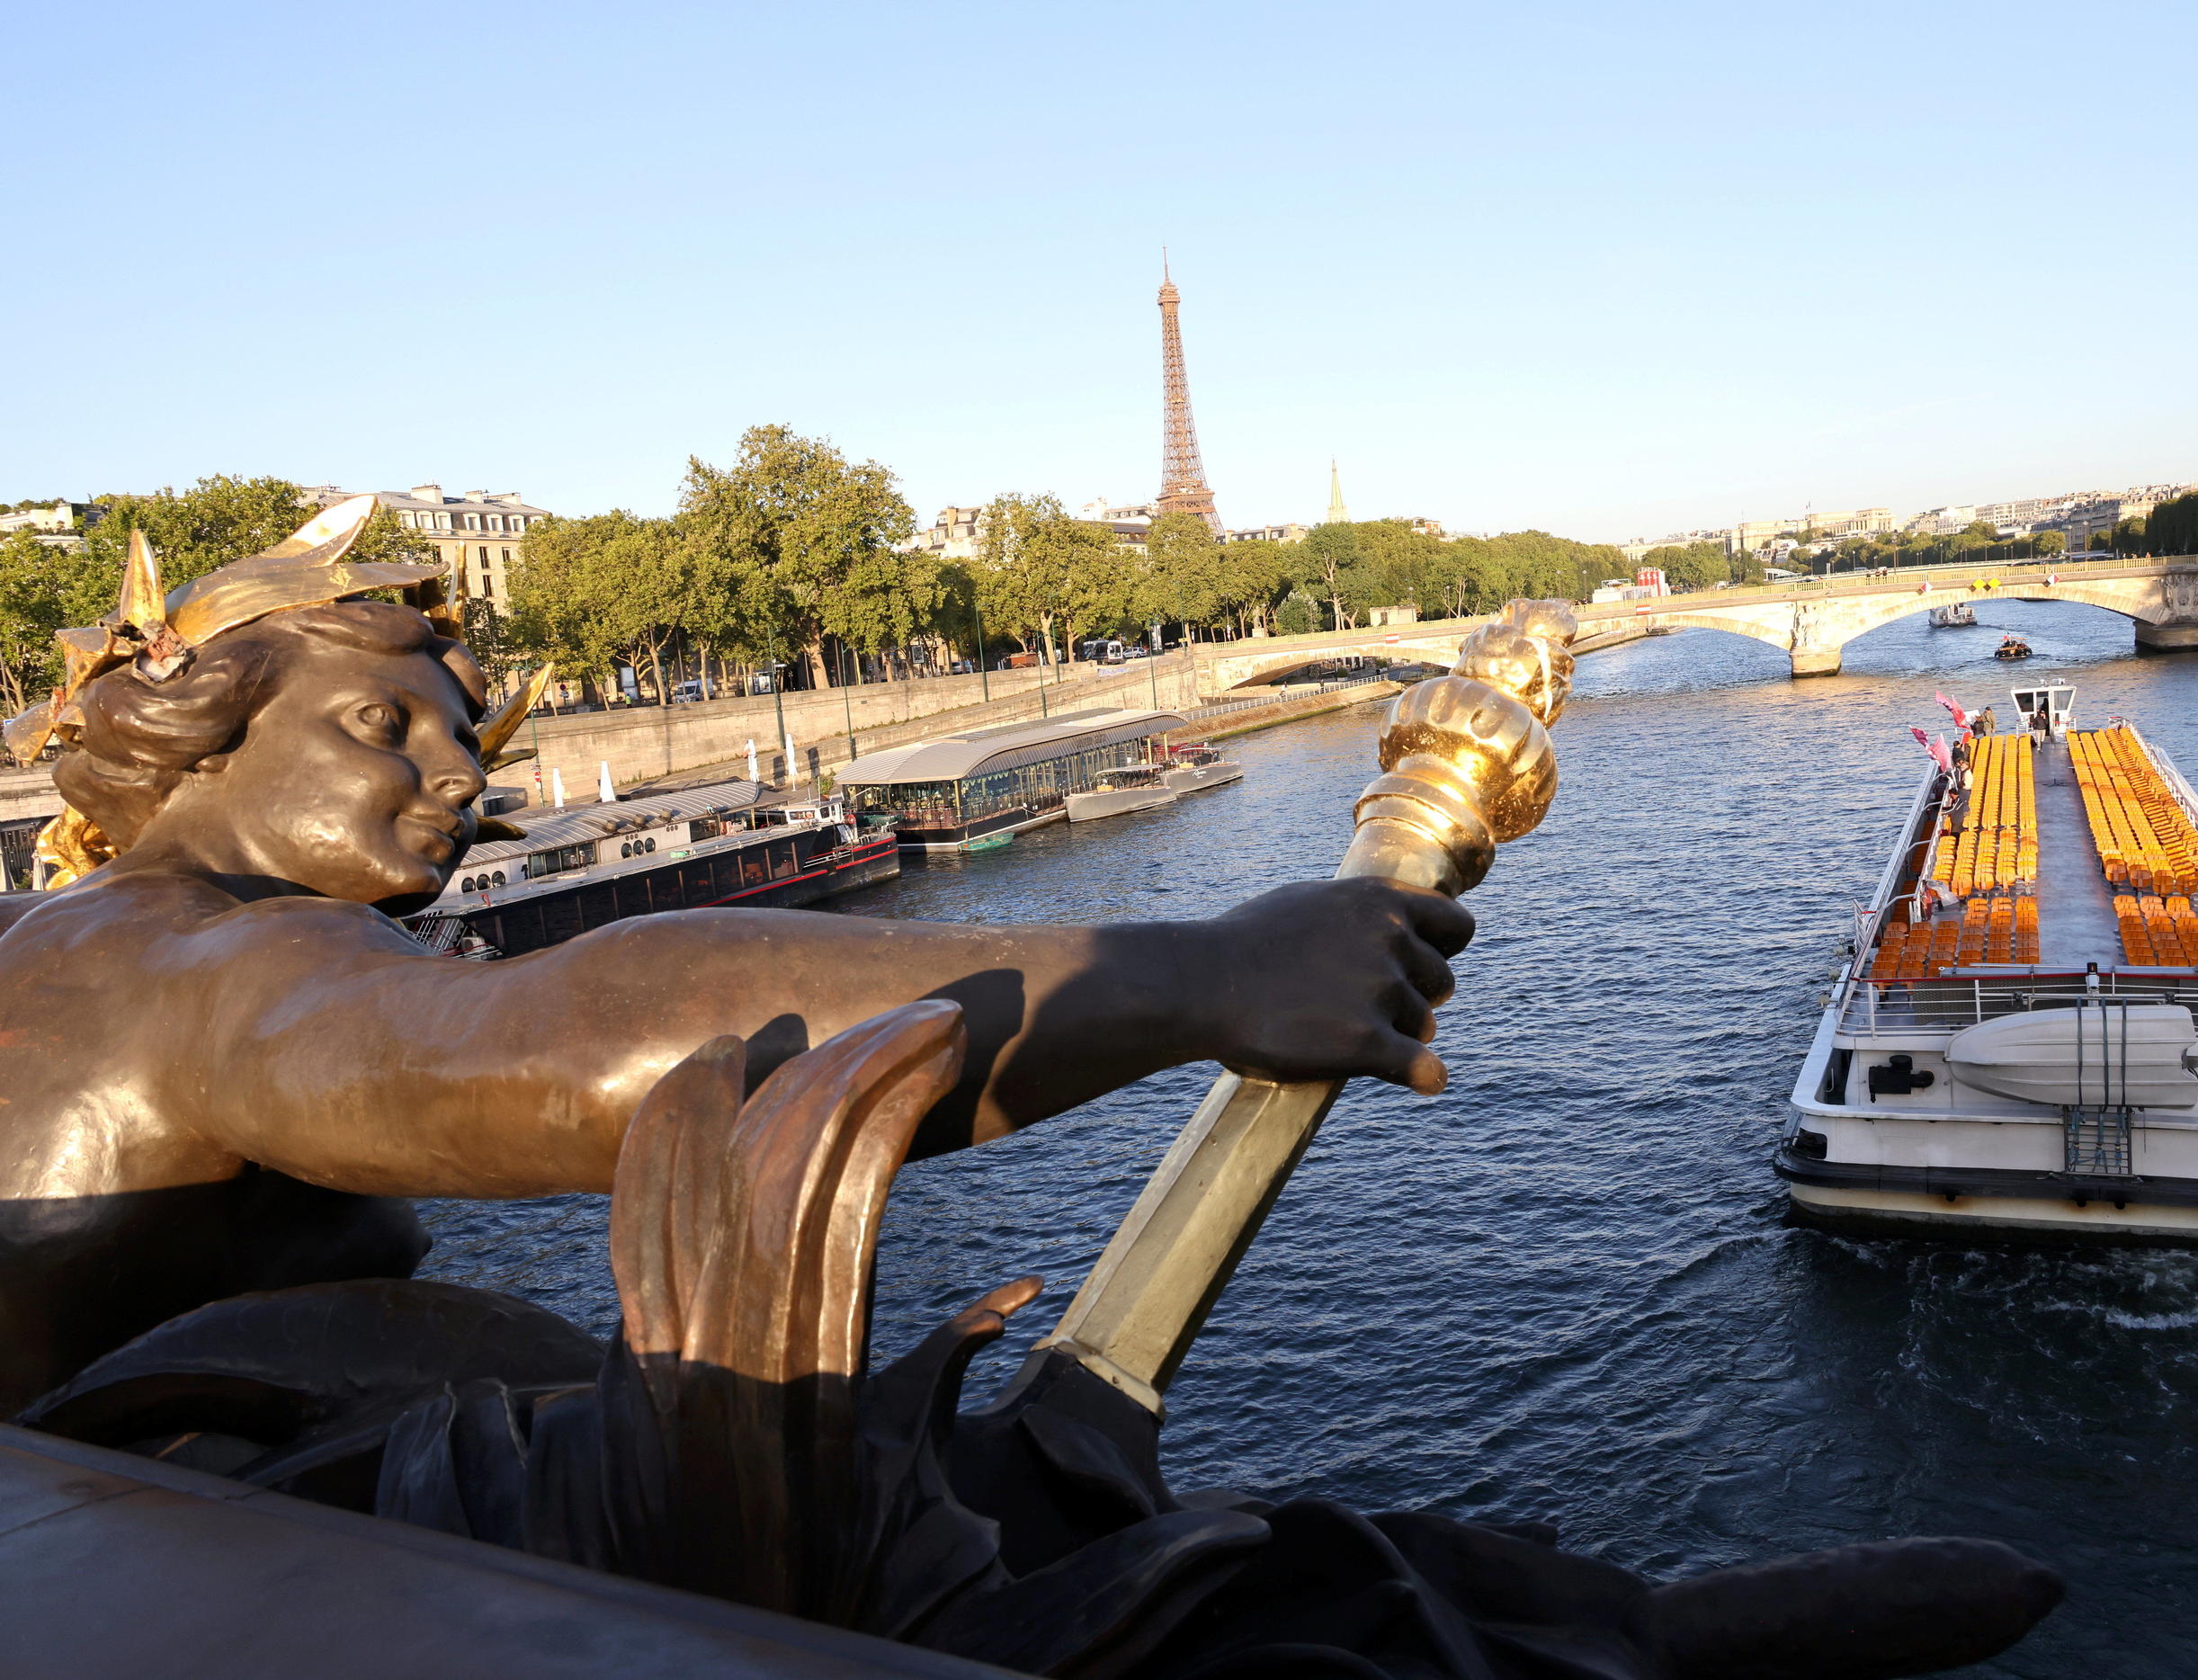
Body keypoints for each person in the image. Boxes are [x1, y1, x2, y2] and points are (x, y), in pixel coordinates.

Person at [0, 521, 1470, 1412]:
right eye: (383, 731)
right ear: (189, 735)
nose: (455, 776)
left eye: (463, 739)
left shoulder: (58, 951)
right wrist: (1211, 975)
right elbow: (579, 1053)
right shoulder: (192, 954)